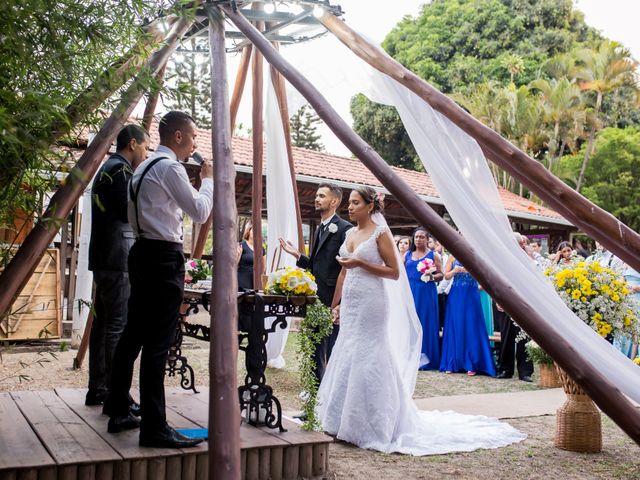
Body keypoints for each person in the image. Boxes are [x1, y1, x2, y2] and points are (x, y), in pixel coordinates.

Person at [317, 186, 525, 455]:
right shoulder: (348, 234)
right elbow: (344, 274)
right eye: (351, 203)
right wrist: (336, 304)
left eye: (356, 202)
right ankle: (340, 419)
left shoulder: (381, 234)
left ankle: (375, 423)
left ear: (370, 206)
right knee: (346, 351)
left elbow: (393, 272)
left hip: (372, 302)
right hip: (352, 301)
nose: (350, 206)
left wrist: (361, 264)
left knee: (369, 354)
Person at [104, 111, 213, 448]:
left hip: (140, 253)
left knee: (133, 334)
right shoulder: (169, 167)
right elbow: (200, 212)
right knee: (157, 342)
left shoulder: (141, 169)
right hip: (163, 257)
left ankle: (118, 405)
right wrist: (207, 179)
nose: (195, 143)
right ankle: (154, 426)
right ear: (178, 137)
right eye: (193, 136)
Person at [86, 124, 149, 409]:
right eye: (146, 146)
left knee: (101, 325)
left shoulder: (105, 168)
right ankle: (116, 393)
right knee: (116, 326)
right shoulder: (121, 172)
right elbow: (129, 213)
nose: (146, 153)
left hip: (102, 256)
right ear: (133, 144)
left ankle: (97, 388)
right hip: (118, 256)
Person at [279, 183, 351, 383]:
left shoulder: (346, 229)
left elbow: (348, 270)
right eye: (317, 196)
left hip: (332, 300)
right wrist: (297, 255)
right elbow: (314, 265)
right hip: (315, 298)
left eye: (322, 196)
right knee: (314, 349)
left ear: (334, 201)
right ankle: (315, 393)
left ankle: (328, 392)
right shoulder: (320, 228)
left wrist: (339, 304)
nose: (316, 199)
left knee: (331, 349)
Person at [439, 256, 496, 376]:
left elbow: (484, 275)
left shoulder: (474, 255)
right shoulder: (452, 257)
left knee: (472, 326)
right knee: (456, 325)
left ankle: (472, 363)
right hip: (456, 294)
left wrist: (470, 271)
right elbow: (446, 276)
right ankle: (453, 362)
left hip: (471, 294)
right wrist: (455, 271)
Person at [495, 233, 534, 382]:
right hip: (505, 301)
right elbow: (496, 279)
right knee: (507, 336)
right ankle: (505, 369)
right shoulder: (501, 259)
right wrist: (498, 299)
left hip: (524, 301)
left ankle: (525, 371)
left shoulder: (527, 261)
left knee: (524, 337)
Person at [404, 227, 441, 369]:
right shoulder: (407, 255)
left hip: (426, 292)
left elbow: (441, 274)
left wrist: (431, 276)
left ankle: (427, 357)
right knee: (409, 323)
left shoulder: (433, 255)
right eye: (416, 237)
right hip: (410, 291)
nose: (418, 239)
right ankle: (409, 357)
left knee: (425, 322)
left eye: (421, 237)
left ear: (427, 239)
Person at [237, 221, 265, 290]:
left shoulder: (261, 248)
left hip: (256, 280)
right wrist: (238, 254)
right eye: (254, 230)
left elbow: (263, 268)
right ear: (248, 231)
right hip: (242, 279)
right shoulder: (241, 245)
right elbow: (234, 264)